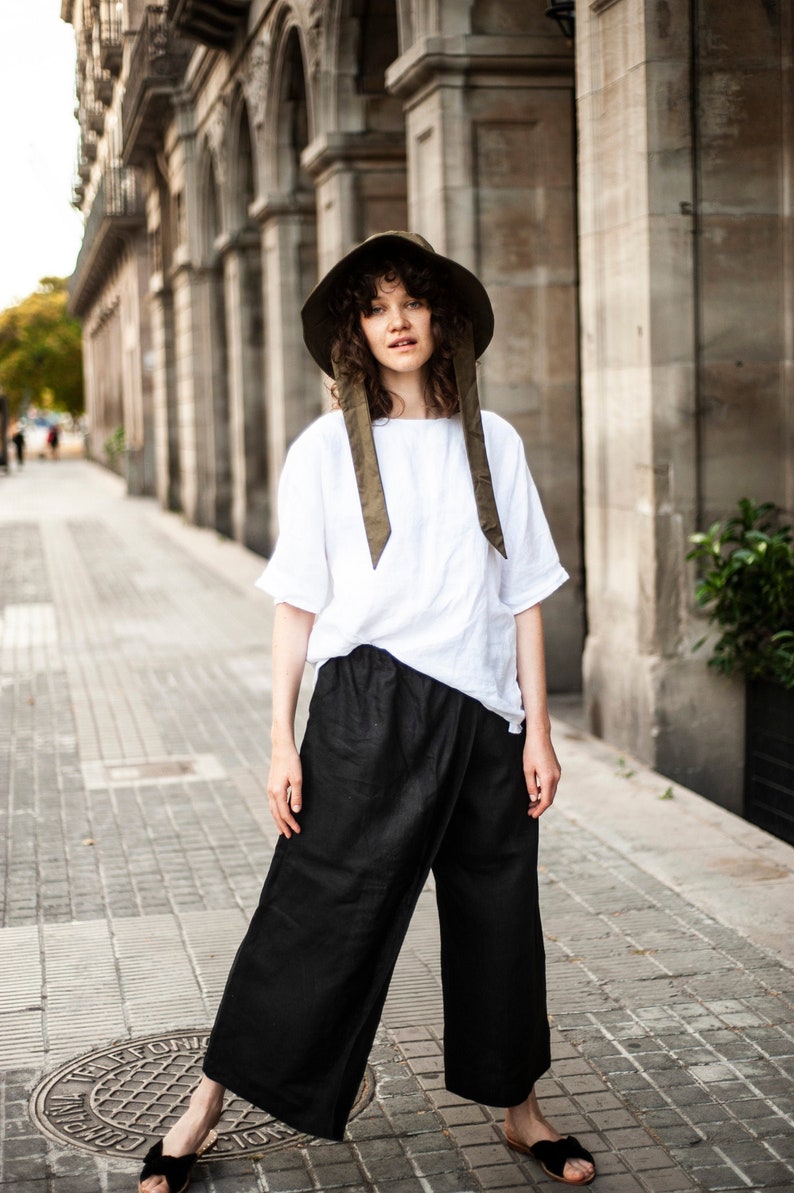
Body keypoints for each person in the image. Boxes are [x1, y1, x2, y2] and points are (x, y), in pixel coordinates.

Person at [137, 231, 596, 1192]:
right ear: (356, 327)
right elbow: (298, 603)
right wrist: (278, 740)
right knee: (315, 912)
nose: (397, 320)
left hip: (483, 715)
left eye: (412, 302)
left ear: (441, 318)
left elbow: (524, 592)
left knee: (500, 915)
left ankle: (522, 1114)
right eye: (377, 305)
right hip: (365, 705)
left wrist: (539, 729)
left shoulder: (494, 439)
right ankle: (203, 1106)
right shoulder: (323, 448)